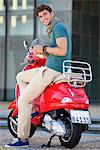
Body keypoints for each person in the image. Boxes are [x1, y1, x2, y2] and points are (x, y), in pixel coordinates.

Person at [5, 4, 72, 147]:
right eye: (40, 16)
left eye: (45, 14)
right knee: (21, 77)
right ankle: (34, 110)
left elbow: (62, 50)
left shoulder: (58, 27)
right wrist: (40, 52)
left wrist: (44, 48)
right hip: (51, 66)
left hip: (52, 70)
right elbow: (54, 52)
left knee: (23, 101)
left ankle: (22, 139)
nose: (43, 18)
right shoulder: (53, 28)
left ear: (51, 13)